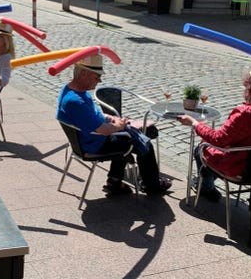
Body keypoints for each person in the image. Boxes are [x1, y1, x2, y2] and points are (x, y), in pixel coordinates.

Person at [56, 55, 172, 195]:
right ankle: (152, 186)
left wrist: (110, 117)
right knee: (144, 142)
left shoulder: (71, 91)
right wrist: (120, 125)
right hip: (95, 144)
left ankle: (115, 181)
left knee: (142, 133)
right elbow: (104, 130)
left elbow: (93, 114)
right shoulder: (76, 102)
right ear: (83, 74)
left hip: (86, 140)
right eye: (97, 76)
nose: (100, 80)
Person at [176, 65, 251, 202]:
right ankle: (206, 181)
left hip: (240, 167)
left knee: (200, 148)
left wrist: (194, 123)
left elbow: (218, 139)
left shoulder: (246, 113)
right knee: (209, 148)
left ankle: (207, 187)